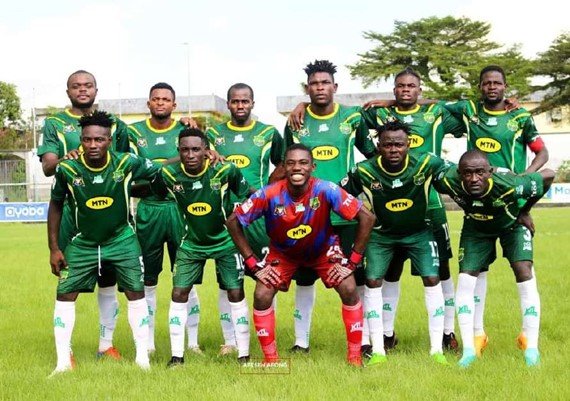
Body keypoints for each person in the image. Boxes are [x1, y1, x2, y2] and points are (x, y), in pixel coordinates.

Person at [226, 143, 376, 366]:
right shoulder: (269, 194)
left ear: (312, 167)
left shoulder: (325, 189)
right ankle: (271, 360)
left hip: (323, 251)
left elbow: (367, 217)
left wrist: (352, 262)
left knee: (349, 287)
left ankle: (354, 357)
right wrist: (253, 263)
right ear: (283, 167)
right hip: (283, 254)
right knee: (261, 294)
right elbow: (233, 221)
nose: (297, 168)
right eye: (291, 163)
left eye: (303, 163)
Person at [443, 65, 549, 355]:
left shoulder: (520, 117)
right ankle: (477, 336)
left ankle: (529, 340)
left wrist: (524, 178)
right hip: (478, 204)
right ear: (480, 87)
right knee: (475, 270)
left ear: (505, 86)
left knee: (523, 268)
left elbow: (542, 152)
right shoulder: (469, 111)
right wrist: (390, 101)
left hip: (511, 203)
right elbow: (430, 106)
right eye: (486, 83)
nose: (492, 87)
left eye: (497, 82)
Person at [359, 67, 465, 351]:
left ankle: (447, 332)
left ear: (420, 89)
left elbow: (467, 114)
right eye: (400, 86)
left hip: (431, 205)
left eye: (411, 86)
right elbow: (349, 119)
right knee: (390, 271)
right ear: (393, 89)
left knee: (441, 270)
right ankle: (386, 334)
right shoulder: (380, 114)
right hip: (391, 205)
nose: (405, 90)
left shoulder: (435, 113)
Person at [48, 111, 160, 374]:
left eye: (99, 139)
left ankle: (142, 360)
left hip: (122, 240)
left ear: (109, 141)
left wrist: (205, 155)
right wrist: (54, 248)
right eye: (87, 140)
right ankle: (63, 364)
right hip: (83, 243)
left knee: (136, 293)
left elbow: (163, 170)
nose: (93, 145)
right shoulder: (67, 168)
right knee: (64, 295)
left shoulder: (126, 162)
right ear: (81, 141)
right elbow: (55, 205)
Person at [283, 60, 376, 354]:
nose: (320, 88)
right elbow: (285, 166)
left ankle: (364, 340)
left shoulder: (353, 117)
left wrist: (358, 186)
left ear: (335, 87)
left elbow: (372, 156)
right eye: (314, 83)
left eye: (325, 83)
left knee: (356, 276)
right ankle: (301, 342)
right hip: (307, 216)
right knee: (304, 278)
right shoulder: (296, 122)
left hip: (346, 215)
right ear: (307, 88)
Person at [341, 120, 449, 366]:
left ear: (408, 145)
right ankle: (378, 349)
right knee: (372, 281)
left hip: (419, 233)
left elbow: (457, 177)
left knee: (432, 278)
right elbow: (339, 194)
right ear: (378, 146)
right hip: (381, 236)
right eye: (387, 145)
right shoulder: (364, 171)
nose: (393, 150)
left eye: (398, 145)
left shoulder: (426, 163)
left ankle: (436, 350)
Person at [432, 149, 554, 367]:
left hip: (512, 225)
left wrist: (525, 210)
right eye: (468, 173)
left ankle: (531, 347)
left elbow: (549, 175)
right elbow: (432, 170)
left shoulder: (509, 183)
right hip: (476, 228)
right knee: (466, 279)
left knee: (524, 271)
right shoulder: (448, 180)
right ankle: (469, 349)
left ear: (490, 172)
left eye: (480, 172)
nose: (474, 179)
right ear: (459, 174)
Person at [38, 70, 129, 360]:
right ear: (68, 92)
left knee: (108, 279)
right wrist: (65, 159)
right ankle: (65, 353)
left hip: (109, 211)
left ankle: (106, 344)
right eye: (76, 86)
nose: (82, 90)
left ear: (96, 90)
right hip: (70, 209)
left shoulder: (115, 125)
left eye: (88, 85)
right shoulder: (54, 123)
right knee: (68, 281)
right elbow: (48, 167)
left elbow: (126, 163)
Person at [150, 128, 252, 367]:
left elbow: (246, 193)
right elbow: (156, 191)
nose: (190, 155)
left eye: (196, 149)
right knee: (178, 293)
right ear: (178, 151)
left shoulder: (225, 170)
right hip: (191, 242)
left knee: (235, 292)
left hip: (225, 241)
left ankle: (244, 354)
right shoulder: (168, 174)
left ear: (206, 150)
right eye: (184, 150)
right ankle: (177, 357)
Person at [205, 83, 284, 356]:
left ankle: (267, 335)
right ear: (228, 104)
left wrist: (268, 190)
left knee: (267, 277)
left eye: (245, 101)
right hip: (226, 214)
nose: (240, 106)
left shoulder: (268, 133)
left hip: (260, 216)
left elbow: (284, 163)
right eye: (235, 101)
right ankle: (230, 340)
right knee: (227, 281)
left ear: (252, 103)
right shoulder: (213, 134)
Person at [128, 82, 201, 354]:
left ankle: (192, 342)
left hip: (179, 208)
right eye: (156, 99)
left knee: (185, 276)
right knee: (148, 279)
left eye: (166, 99)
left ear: (174, 104)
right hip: (148, 209)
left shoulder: (185, 131)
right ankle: (147, 343)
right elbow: (127, 173)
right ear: (148, 103)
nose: (160, 103)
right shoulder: (133, 132)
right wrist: (156, 179)